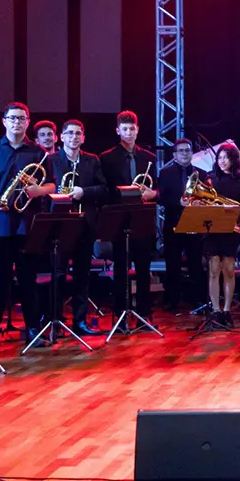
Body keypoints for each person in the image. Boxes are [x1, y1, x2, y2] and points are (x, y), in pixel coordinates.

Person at [0, 102, 55, 349]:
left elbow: (53, 185)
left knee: (27, 279)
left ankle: (32, 329)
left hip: (26, 223)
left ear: (28, 122)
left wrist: (38, 190)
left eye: (22, 118)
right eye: (12, 118)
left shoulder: (39, 153)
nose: (17, 122)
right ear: (4, 121)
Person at [49, 119, 108, 335]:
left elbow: (103, 189)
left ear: (83, 138)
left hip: (85, 224)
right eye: (70, 133)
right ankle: (55, 320)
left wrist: (84, 191)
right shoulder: (52, 159)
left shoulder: (92, 160)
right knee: (58, 274)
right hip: (60, 225)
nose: (74, 137)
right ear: (62, 137)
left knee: (82, 275)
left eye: (78, 134)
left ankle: (80, 321)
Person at [100, 111, 159, 323]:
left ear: (138, 130)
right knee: (121, 268)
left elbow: (157, 188)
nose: (129, 132)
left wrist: (152, 193)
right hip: (120, 218)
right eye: (124, 129)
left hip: (142, 218)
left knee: (144, 267)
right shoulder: (107, 157)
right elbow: (105, 189)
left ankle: (144, 312)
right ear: (118, 131)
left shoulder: (149, 158)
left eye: (132, 129)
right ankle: (121, 312)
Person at [203, 141, 240, 328]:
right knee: (214, 270)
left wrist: (233, 213)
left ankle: (226, 310)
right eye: (220, 158)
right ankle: (215, 309)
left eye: (226, 158)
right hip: (212, 231)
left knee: (229, 270)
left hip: (230, 229)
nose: (222, 161)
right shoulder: (210, 179)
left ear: (233, 160)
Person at [157, 138, 207, 312]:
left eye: (188, 150)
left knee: (195, 262)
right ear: (175, 155)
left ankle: (195, 298)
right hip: (173, 223)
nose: (185, 153)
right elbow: (161, 198)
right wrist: (179, 203)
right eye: (181, 151)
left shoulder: (202, 173)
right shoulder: (165, 173)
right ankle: (173, 299)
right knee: (173, 263)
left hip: (195, 223)